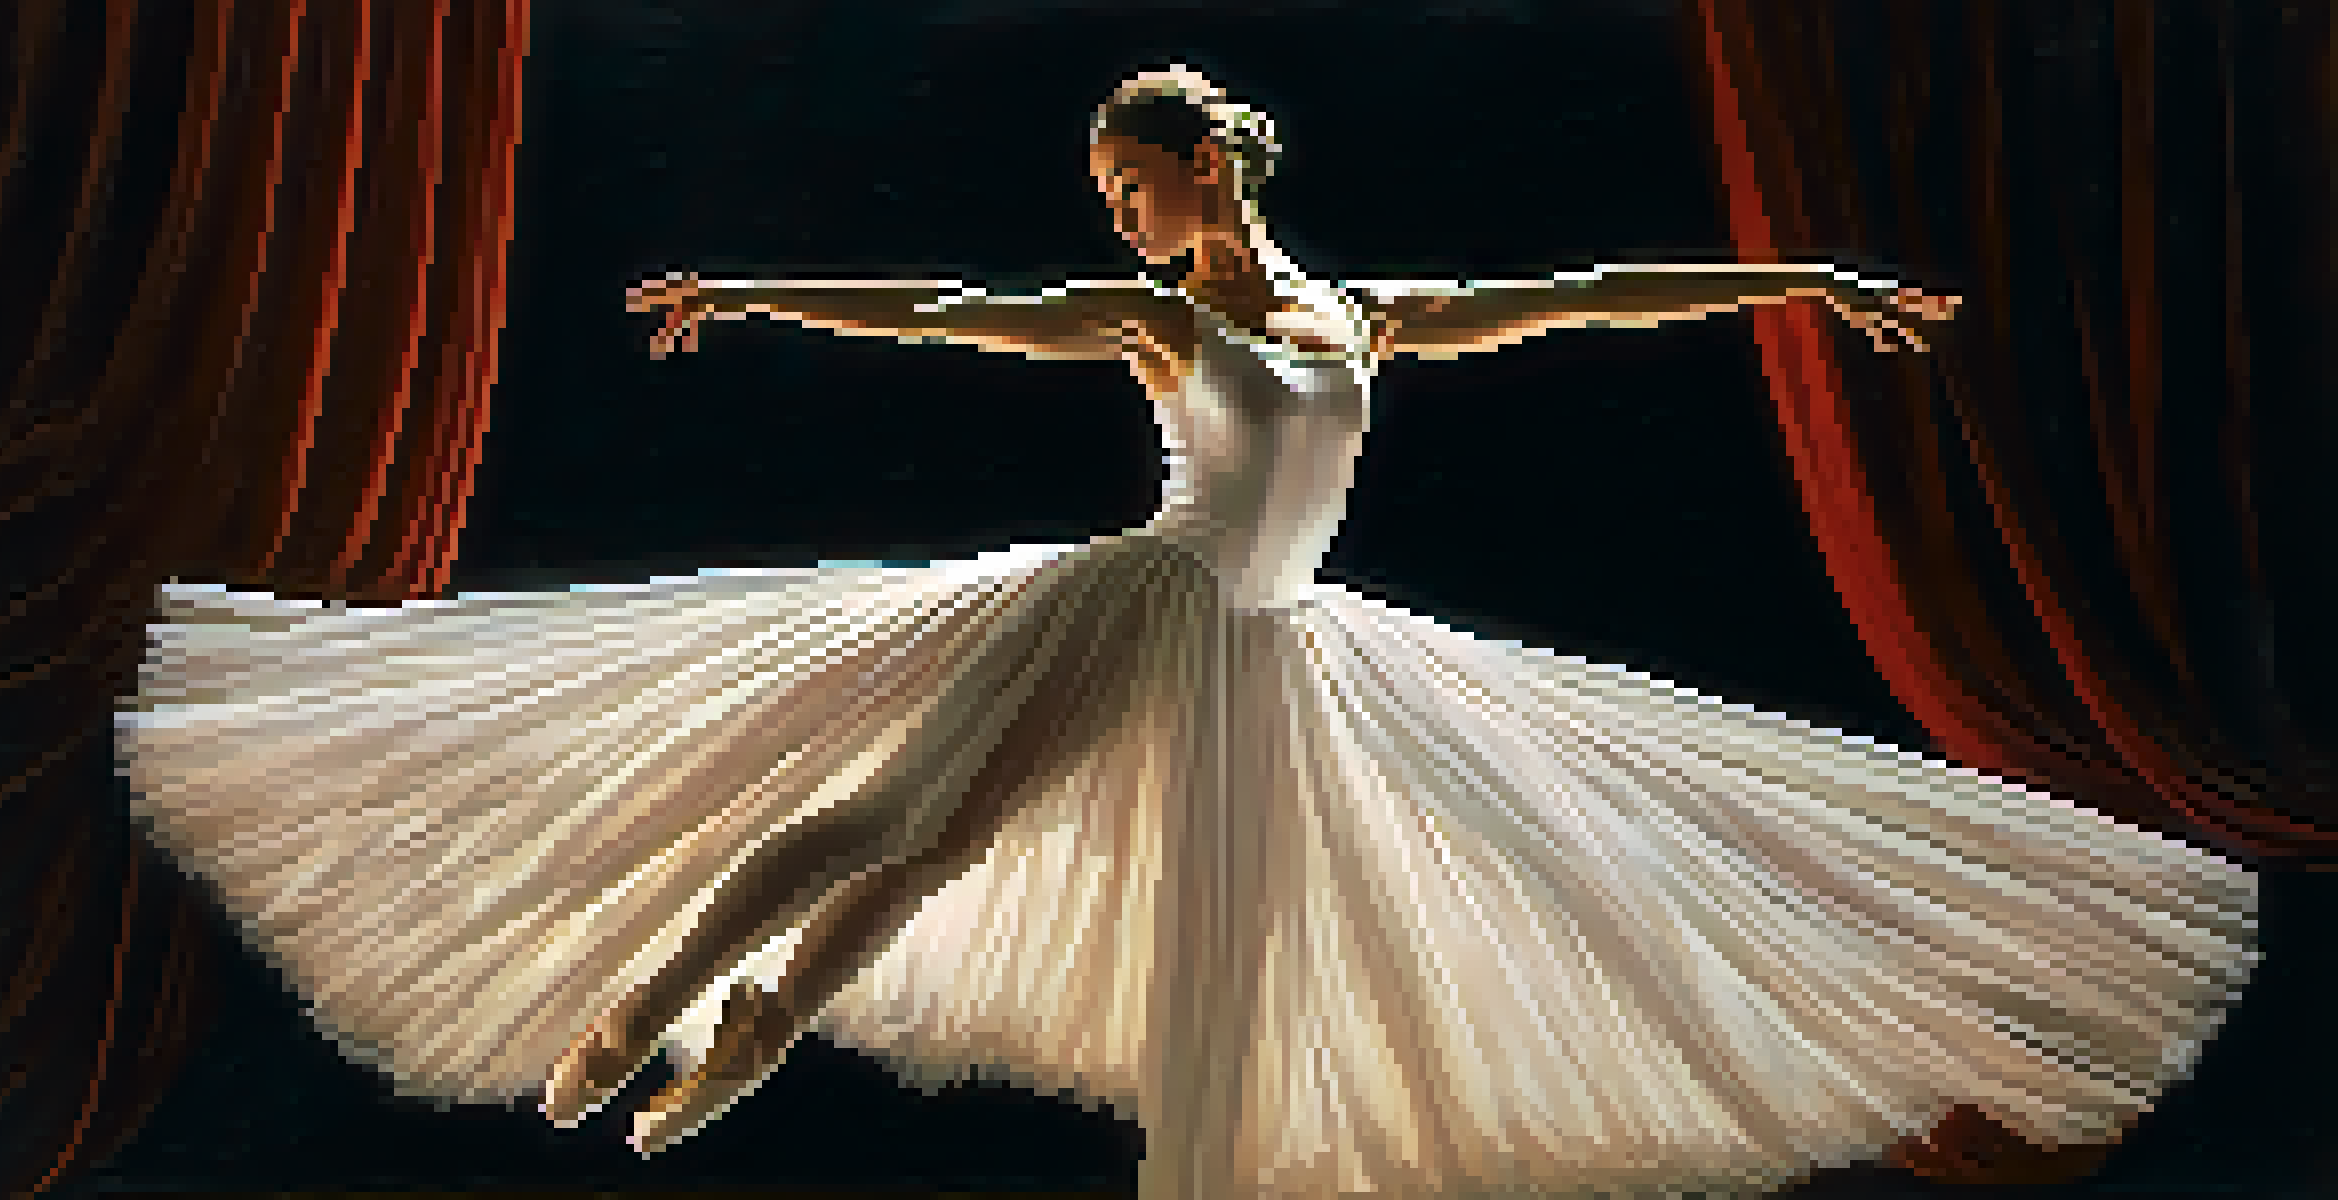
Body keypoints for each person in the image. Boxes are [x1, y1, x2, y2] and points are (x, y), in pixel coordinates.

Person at [116, 66, 2255, 1200]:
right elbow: (957, 316)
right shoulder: (1144, 319)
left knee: (959, 865)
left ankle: (754, 1036)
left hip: (1284, 650)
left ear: (1208, 171)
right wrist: (768, 292)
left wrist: (1805, 286)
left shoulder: (1369, 314)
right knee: (900, 827)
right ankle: (670, 996)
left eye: (1134, 187)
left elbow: (1603, 292)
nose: (1117, 220)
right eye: (1110, 198)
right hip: (1134, 605)